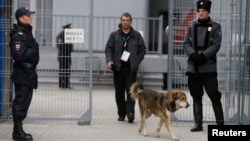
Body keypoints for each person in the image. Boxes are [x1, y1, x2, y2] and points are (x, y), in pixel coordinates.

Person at [183, 0, 224, 132]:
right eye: (199, 11)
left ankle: (220, 124)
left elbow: (216, 45)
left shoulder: (216, 27)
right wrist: (193, 54)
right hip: (193, 66)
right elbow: (186, 43)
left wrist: (203, 56)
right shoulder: (191, 26)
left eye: (203, 11)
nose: (201, 13)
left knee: (213, 94)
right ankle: (198, 123)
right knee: (196, 95)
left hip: (209, 67)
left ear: (208, 12)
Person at [105, 12, 146, 123]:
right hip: (118, 68)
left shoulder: (136, 35)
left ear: (131, 21)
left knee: (131, 92)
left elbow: (143, 49)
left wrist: (137, 61)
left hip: (131, 69)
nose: (125, 22)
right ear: (121, 21)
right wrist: (109, 60)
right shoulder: (114, 35)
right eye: (123, 20)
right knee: (119, 93)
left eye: (127, 20)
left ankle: (130, 113)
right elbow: (108, 48)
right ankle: (122, 113)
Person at [9, 7, 39, 141]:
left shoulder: (27, 32)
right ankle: (17, 132)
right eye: (28, 15)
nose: (31, 17)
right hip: (23, 73)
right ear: (21, 18)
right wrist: (33, 50)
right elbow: (18, 54)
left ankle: (19, 130)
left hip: (28, 73)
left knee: (25, 103)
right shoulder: (19, 34)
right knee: (20, 103)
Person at [56, 23, 73, 89]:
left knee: (66, 70)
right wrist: (68, 49)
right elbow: (59, 45)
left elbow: (70, 46)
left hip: (66, 55)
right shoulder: (61, 35)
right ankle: (63, 84)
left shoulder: (68, 36)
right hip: (63, 55)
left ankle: (65, 84)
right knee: (63, 70)